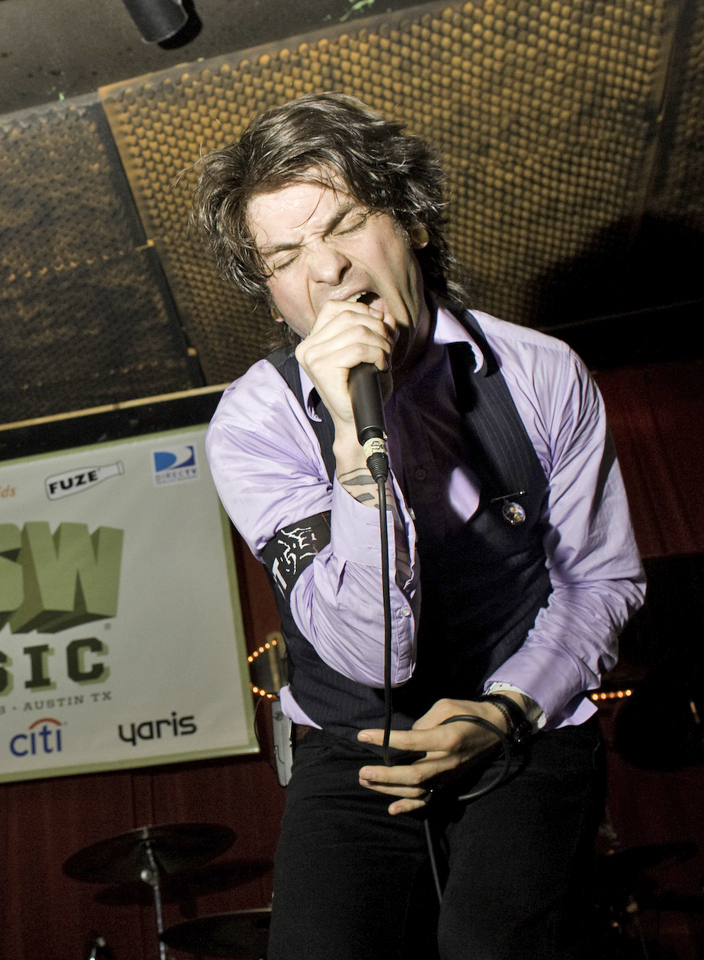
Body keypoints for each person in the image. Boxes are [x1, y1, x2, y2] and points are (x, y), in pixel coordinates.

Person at [195, 93, 645, 958]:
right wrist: (353, 453)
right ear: (275, 294)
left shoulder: (541, 375)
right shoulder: (257, 423)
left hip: (520, 712)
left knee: (492, 941)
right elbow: (376, 654)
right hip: (355, 738)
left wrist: (508, 712)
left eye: (347, 224)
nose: (323, 268)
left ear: (415, 224)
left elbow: (602, 579)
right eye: (286, 255)